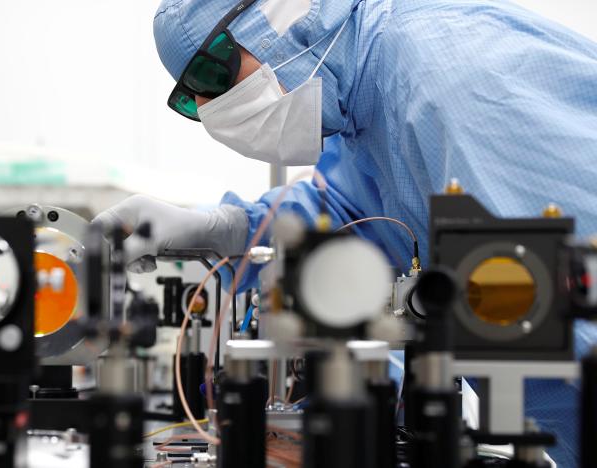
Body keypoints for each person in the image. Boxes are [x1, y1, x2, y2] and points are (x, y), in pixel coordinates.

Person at [93, 0, 597, 464]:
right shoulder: (365, 100)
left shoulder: (449, 79)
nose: (211, 109)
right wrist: (228, 226)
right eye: (192, 99)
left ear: (280, 16)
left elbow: (560, 296)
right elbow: (351, 212)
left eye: (212, 75)